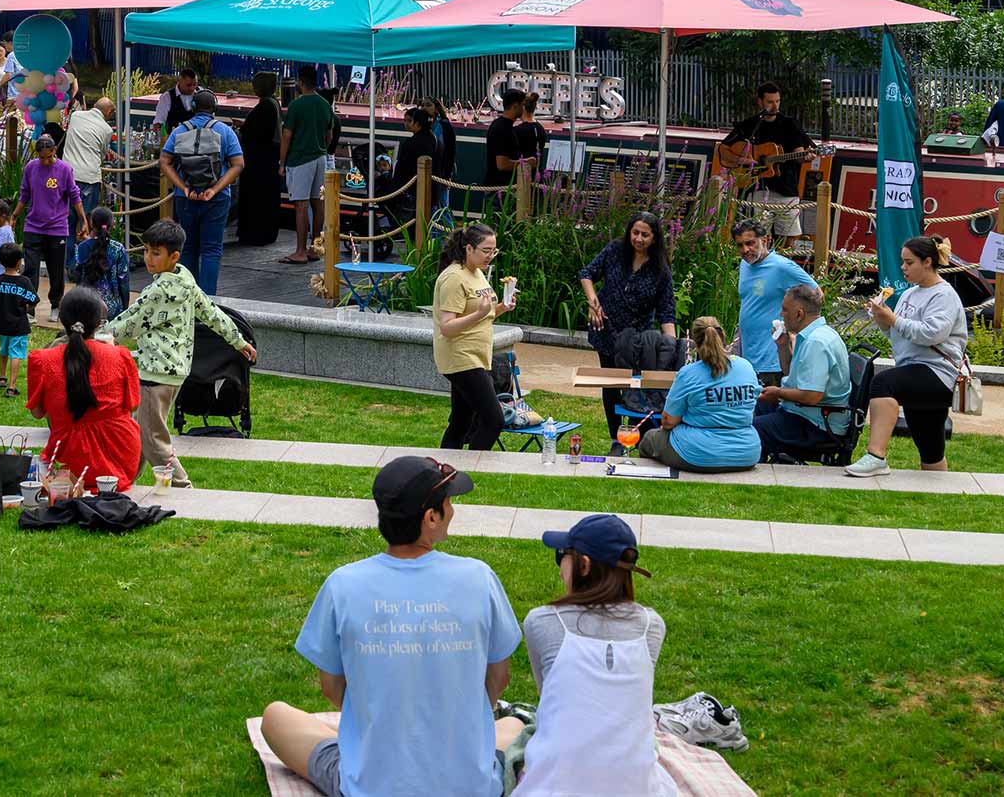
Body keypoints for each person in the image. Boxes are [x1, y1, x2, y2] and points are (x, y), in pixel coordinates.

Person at [261, 456, 524, 797]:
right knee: (514, 724)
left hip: (371, 783)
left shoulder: (343, 585)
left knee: (275, 716)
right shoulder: (479, 578)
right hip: (468, 785)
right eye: (449, 504)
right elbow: (498, 680)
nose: (453, 511)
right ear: (431, 517)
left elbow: (332, 689)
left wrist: (383, 722)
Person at [517, 515, 682, 796]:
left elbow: (549, 700)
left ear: (584, 565)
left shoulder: (541, 622)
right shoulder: (651, 626)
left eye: (562, 556)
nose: (559, 569)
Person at [105, 219, 255, 489]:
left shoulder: (156, 292)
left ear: (173, 256)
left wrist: (96, 336)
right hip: (175, 372)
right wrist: (238, 341)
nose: (148, 258)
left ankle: (181, 485)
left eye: (156, 253)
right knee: (141, 430)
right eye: (146, 251)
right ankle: (125, 479)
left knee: (152, 436)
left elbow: (128, 323)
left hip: (156, 372)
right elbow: (212, 312)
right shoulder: (186, 280)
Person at [846, 235, 969, 477]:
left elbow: (932, 334)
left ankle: (876, 456)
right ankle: (942, 491)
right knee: (930, 448)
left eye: (909, 262)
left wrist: (893, 319)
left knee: (882, 383)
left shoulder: (943, 295)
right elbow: (898, 334)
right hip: (917, 373)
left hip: (937, 374)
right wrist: (883, 319)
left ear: (927, 262)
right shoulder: (910, 294)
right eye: (902, 262)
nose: (903, 267)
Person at [28, 287, 143, 492]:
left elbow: (37, 413)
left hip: (68, 461)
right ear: (99, 323)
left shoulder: (42, 360)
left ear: (61, 319)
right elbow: (132, 403)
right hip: (121, 457)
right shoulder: (120, 356)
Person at [579, 213, 677, 440]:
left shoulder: (660, 269)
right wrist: (593, 303)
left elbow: (666, 312)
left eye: (645, 234)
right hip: (606, 330)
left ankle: (635, 435)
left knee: (635, 388)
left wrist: (671, 345)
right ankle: (615, 437)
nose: (639, 239)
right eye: (635, 233)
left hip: (638, 339)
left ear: (654, 238)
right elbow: (587, 273)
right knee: (611, 385)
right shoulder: (615, 251)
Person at [636, 316, 761, 473]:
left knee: (649, 439)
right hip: (746, 453)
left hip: (696, 453)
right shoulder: (746, 366)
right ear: (722, 336)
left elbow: (668, 421)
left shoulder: (688, 373)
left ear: (695, 342)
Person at [433, 224, 512, 452]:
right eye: (486, 250)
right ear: (469, 248)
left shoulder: (476, 273)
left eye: (494, 251)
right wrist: (479, 312)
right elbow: (447, 327)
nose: (490, 256)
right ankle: (475, 466)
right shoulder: (453, 278)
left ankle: (446, 467)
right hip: (461, 357)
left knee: (461, 420)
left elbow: (482, 315)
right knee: (493, 419)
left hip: (478, 355)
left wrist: (501, 308)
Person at [755, 284, 852, 462]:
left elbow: (812, 395)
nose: (781, 314)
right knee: (753, 408)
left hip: (817, 425)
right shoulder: (812, 334)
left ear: (799, 314)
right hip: (809, 414)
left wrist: (778, 392)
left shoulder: (816, 342)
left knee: (754, 430)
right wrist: (783, 346)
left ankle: (756, 474)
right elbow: (794, 375)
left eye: (784, 310)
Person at [161, 89, 244, 293]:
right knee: (212, 250)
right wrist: (215, 189)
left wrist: (183, 187)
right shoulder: (225, 131)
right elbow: (238, 164)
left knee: (187, 248)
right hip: (216, 199)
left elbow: (164, 161)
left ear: (193, 108)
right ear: (214, 108)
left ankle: (189, 295)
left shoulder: (179, 131)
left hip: (185, 198)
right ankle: (208, 300)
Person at [716, 83, 815, 239]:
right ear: (760, 102)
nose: (774, 105)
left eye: (777, 101)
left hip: (786, 189)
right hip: (757, 190)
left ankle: (783, 263)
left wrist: (806, 157)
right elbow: (723, 150)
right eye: (770, 102)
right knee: (759, 237)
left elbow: (800, 153)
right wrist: (743, 160)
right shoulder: (749, 125)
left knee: (790, 237)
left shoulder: (790, 124)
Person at [732, 220, 817, 385]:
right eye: (740, 245)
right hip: (747, 354)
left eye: (750, 243)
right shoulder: (745, 264)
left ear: (764, 240)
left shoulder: (782, 267)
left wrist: (793, 328)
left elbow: (816, 295)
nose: (745, 250)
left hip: (771, 359)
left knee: (766, 408)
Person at [17, 135, 89, 311]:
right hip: (33, 226)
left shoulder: (64, 169)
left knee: (56, 270)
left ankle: (56, 304)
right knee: (31, 268)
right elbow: (24, 194)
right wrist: (14, 215)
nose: (46, 161)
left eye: (49, 157)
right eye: (42, 158)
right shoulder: (31, 167)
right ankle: (30, 305)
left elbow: (75, 196)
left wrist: (83, 220)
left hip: (57, 228)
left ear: (55, 150)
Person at [279, 66, 334, 263]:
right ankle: (314, 248)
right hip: (320, 157)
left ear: (301, 82)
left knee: (300, 204)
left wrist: (282, 162)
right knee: (318, 204)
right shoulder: (325, 104)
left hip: (300, 159)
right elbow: (329, 135)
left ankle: (300, 251)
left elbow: (287, 135)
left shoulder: (296, 105)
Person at [237, 72, 284, 247]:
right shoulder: (274, 104)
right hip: (268, 160)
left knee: (257, 199)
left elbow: (256, 133)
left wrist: (244, 128)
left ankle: (255, 233)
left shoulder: (265, 106)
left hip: (259, 162)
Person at [0, 243, 37, 398]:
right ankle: (12, 387)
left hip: (2, 324)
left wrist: (0, 310)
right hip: (18, 325)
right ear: (19, 262)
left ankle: (2, 378)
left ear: (1, 262)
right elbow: (34, 301)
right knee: (15, 353)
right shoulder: (25, 282)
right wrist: (23, 310)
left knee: (3, 350)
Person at [63, 96, 117, 230]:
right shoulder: (107, 130)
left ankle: (69, 250)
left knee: (67, 222)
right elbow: (102, 153)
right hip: (89, 178)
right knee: (87, 222)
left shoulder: (75, 116)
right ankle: (84, 249)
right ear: (108, 112)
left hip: (68, 175)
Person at [72, 206, 130, 318]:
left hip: (88, 304)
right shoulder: (118, 248)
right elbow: (124, 281)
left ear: (92, 224)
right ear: (113, 224)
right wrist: (125, 307)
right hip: (113, 308)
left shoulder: (82, 247)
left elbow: (78, 276)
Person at [392, 107, 437, 217]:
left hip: (411, 191)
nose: (407, 124)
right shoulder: (433, 139)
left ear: (417, 123)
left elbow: (402, 168)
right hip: (431, 190)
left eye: (410, 121)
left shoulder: (411, 143)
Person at [486, 88, 525, 187]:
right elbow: (502, 165)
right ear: (515, 106)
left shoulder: (501, 125)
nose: (524, 109)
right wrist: (525, 163)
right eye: (522, 105)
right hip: (500, 189)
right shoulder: (502, 129)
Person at [426, 98, 457, 212]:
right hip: (429, 169)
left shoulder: (444, 125)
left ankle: (446, 228)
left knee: (442, 204)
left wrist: (447, 175)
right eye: (423, 105)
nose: (425, 108)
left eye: (428, 105)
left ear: (436, 108)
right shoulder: (427, 124)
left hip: (442, 170)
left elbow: (451, 150)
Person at [152, 67, 200, 134]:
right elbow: (158, 123)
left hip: (196, 140)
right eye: (188, 85)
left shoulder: (201, 95)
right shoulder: (167, 97)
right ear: (180, 82)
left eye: (195, 84)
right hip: (174, 139)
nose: (192, 88)